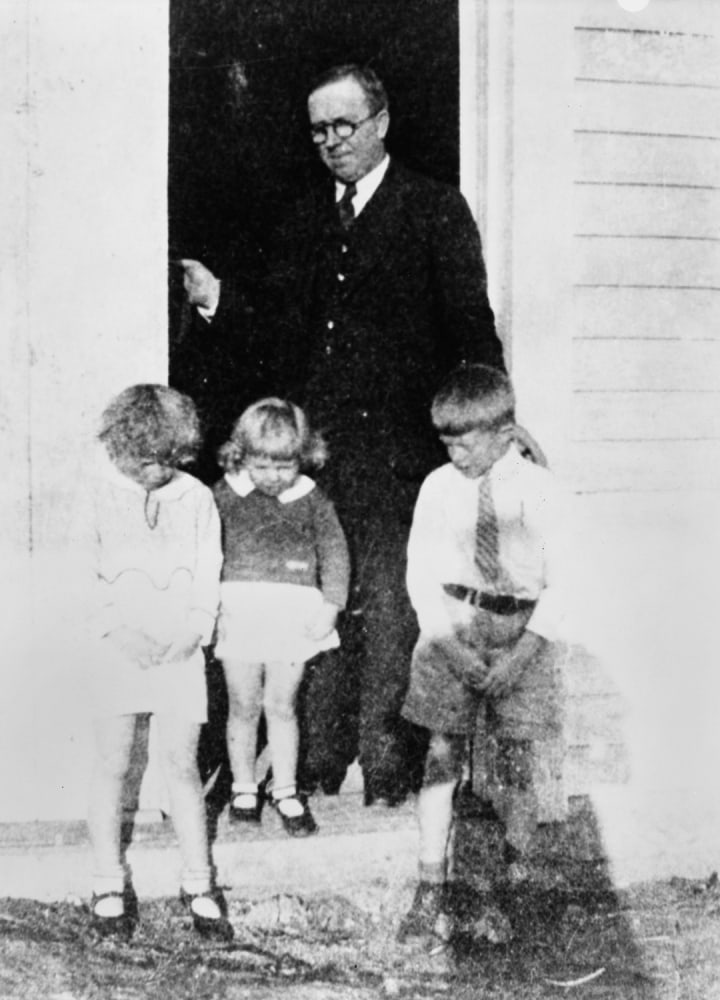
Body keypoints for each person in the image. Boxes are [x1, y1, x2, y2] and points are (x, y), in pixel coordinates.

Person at [178, 63, 516, 806]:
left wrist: (492, 424)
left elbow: (469, 326)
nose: (331, 142)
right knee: (312, 609)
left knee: (391, 609)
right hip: (315, 458)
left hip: (397, 459)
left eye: (345, 125)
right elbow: (272, 328)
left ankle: (387, 770)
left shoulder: (433, 209)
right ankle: (319, 766)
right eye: (319, 130)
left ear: (382, 122)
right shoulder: (303, 218)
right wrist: (218, 301)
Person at [397, 365, 566, 943]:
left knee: (516, 763)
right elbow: (420, 574)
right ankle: (430, 886)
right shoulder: (438, 488)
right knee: (441, 759)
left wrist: (521, 656)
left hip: (522, 633)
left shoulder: (541, 491)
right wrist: (451, 647)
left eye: (464, 441)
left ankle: (522, 878)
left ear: (504, 432)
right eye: (445, 441)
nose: (454, 452)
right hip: (453, 627)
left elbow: (566, 583)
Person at [81, 384, 232, 941]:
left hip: (178, 651)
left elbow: (207, 567)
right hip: (115, 650)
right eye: (147, 461)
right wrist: (117, 630)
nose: (159, 472)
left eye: (171, 461)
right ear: (119, 447)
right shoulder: (96, 492)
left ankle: (198, 882)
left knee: (181, 768)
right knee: (113, 765)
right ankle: (106, 881)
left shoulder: (195, 498)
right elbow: (82, 573)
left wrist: (195, 629)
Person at [213, 398, 350, 836]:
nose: (274, 476)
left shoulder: (311, 499)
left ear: (302, 457)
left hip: (292, 612)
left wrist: (331, 605)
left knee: (282, 705)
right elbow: (202, 550)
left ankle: (286, 789)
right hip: (238, 610)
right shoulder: (224, 495)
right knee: (243, 704)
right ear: (242, 455)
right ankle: (243, 786)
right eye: (262, 465)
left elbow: (334, 553)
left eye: (284, 465)